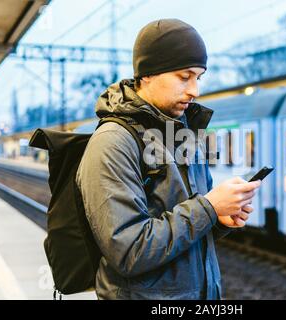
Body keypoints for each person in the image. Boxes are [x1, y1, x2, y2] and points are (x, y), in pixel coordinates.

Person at [76, 18, 261, 300]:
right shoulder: (113, 142)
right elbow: (128, 251)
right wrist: (208, 207)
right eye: (184, 76)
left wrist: (218, 218)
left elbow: (187, 229)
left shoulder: (183, 134)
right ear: (148, 73)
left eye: (198, 77)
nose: (195, 90)